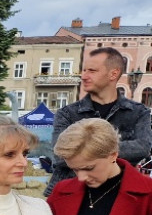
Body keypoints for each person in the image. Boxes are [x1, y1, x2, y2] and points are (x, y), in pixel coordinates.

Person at [46, 47, 152, 195]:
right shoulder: (68, 113)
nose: (84, 76)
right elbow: (60, 155)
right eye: (84, 70)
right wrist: (105, 155)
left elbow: (142, 148)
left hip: (118, 192)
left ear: (113, 74)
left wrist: (83, 149)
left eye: (92, 71)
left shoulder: (138, 112)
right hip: (69, 191)